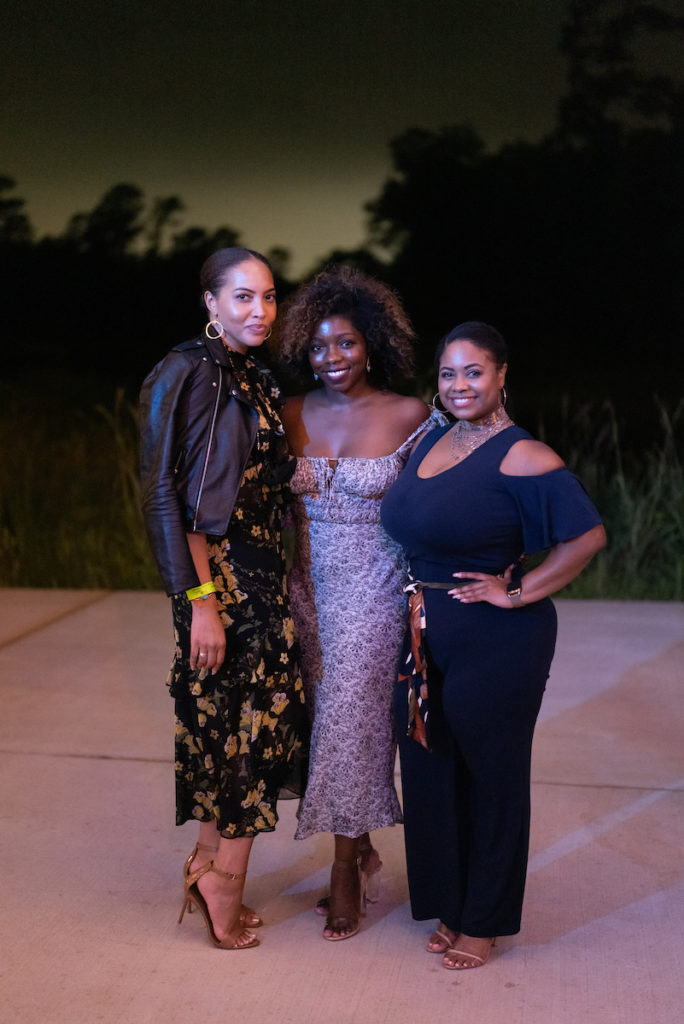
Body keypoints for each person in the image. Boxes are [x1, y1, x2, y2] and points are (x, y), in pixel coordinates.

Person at [380, 321, 606, 970]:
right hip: (425, 630)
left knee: (492, 779)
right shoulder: (435, 440)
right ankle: (452, 903)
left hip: (497, 640)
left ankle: (484, 921)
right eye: (448, 374)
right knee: (433, 770)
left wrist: (519, 591)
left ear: (502, 374)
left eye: (474, 371)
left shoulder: (523, 454)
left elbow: (585, 536)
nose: (459, 385)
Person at [139, 247, 307, 950]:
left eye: (268, 297)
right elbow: (177, 499)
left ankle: (209, 863)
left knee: (226, 730)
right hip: (229, 581)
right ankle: (224, 888)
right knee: (250, 733)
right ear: (210, 303)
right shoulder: (201, 372)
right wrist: (203, 603)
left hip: (254, 574)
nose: (258, 311)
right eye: (242, 297)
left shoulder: (249, 373)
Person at [279, 265, 444, 941]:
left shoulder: (410, 414)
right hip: (304, 588)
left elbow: (450, 490)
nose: (331, 358)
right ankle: (365, 844)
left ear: (371, 343)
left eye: (344, 343)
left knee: (348, 713)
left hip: (375, 587)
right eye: (318, 347)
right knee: (331, 722)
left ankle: (343, 869)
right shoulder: (289, 413)